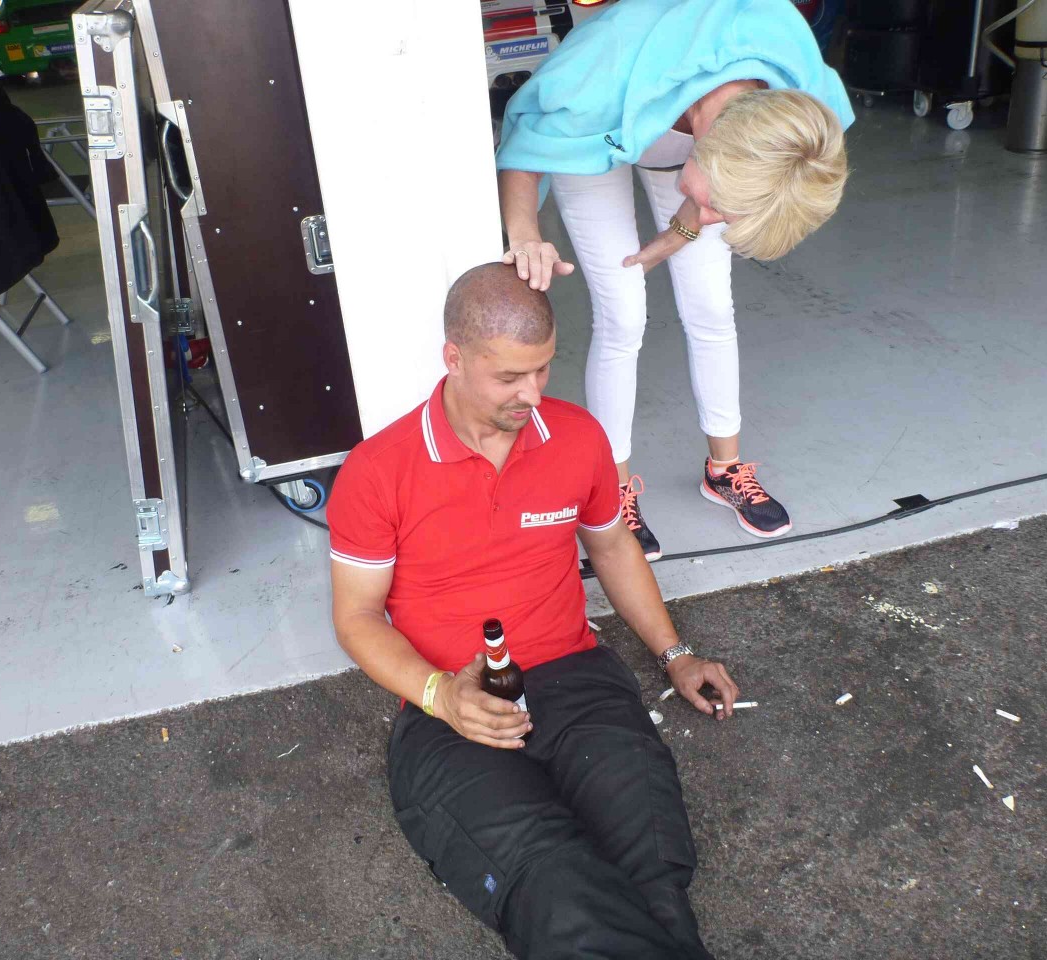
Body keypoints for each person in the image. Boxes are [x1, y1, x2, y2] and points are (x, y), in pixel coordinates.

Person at [329, 262, 739, 959]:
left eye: (543, 369)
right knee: (554, 887)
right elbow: (357, 616)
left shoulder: (577, 437)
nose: (533, 393)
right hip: (452, 706)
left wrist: (676, 655)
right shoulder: (377, 470)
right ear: (454, 358)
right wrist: (440, 695)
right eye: (510, 376)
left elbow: (612, 546)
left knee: (655, 867)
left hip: (578, 678)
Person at [496, 0, 854, 558]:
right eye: (715, 209)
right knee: (623, 316)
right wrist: (524, 235)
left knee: (711, 307)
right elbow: (527, 136)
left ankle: (724, 469)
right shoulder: (602, 69)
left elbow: (784, 174)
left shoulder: (797, 97)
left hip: (692, 145)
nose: (709, 221)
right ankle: (611, 492)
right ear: (711, 150)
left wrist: (683, 228)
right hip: (598, 133)